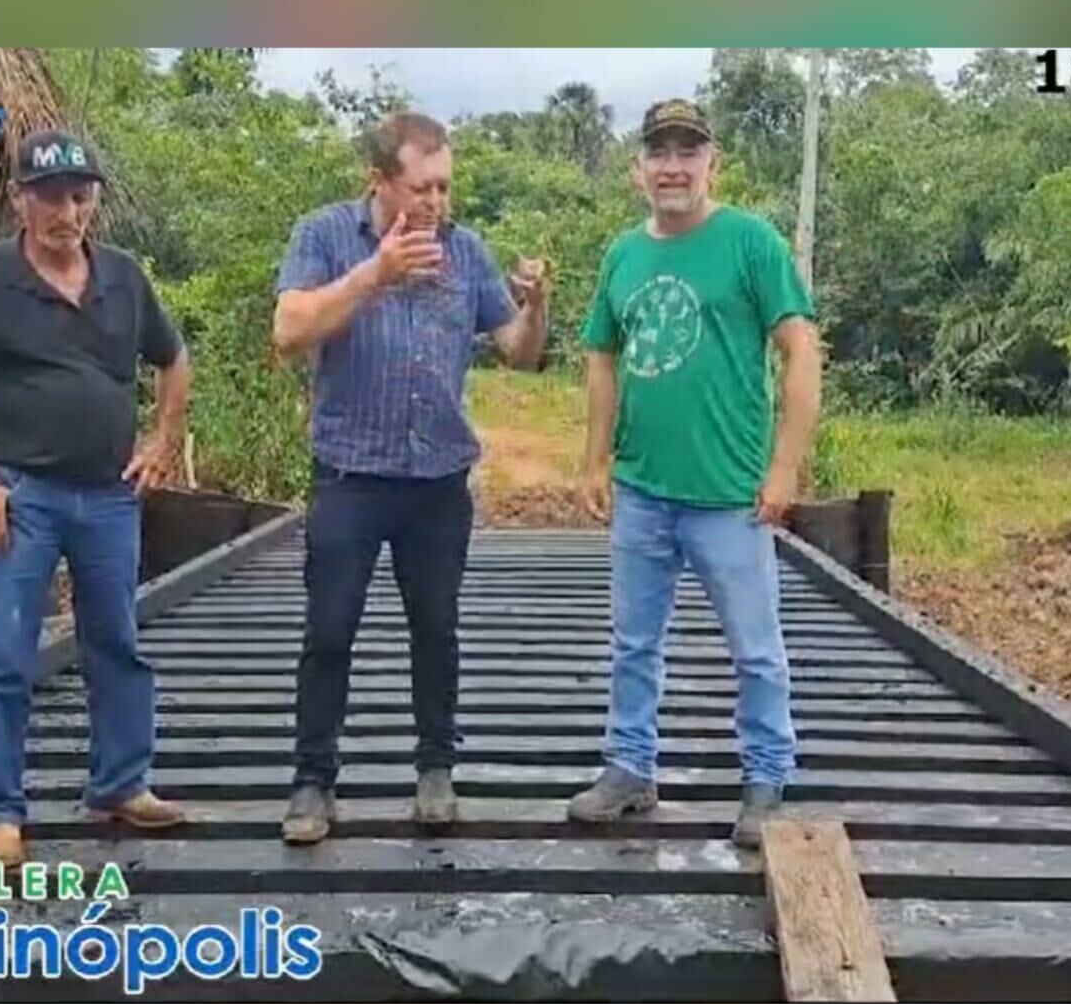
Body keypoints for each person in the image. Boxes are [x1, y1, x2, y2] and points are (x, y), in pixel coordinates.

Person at [272, 110, 549, 844]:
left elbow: (517, 351)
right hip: (350, 476)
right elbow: (289, 330)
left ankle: (435, 769)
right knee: (329, 630)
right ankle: (312, 782)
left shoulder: (466, 251)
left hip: (437, 483)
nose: (437, 203)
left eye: (445, 188)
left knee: (437, 629)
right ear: (380, 182)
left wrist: (535, 303)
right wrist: (376, 274)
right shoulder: (325, 236)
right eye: (422, 188)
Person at [0, 128, 192, 869]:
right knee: (5, 652)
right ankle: (0, 812)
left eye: (79, 197)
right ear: (20, 200)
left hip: (109, 496)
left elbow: (172, 359)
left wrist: (161, 441)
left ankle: (120, 785)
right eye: (49, 197)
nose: (65, 212)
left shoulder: (124, 277)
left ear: (93, 202)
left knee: (117, 644)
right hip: (21, 495)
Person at [569, 98, 821, 848]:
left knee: (755, 647)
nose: (672, 166)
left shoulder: (749, 243)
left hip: (730, 497)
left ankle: (767, 780)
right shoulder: (623, 254)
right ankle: (629, 768)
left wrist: (784, 468)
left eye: (688, 151)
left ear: (712, 162)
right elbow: (600, 356)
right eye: (659, 152)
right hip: (644, 491)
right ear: (637, 168)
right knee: (632, 642)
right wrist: (593, 460)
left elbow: (801, 350)